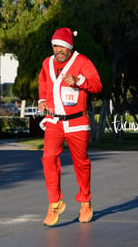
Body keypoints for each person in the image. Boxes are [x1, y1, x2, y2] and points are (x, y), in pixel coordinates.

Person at [37, 28, 102, 226]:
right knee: (48, 158)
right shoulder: (47, 63)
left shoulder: (82, 61)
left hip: (77, 122)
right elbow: (44, 83)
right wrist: (41, 100)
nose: (59, 50)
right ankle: (55, 202)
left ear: (69, 47)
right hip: (54, 121)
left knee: (81, 163)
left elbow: (97, 85)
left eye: (62, 46)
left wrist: (78, 80)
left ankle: (85, 201)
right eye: (55, 46)